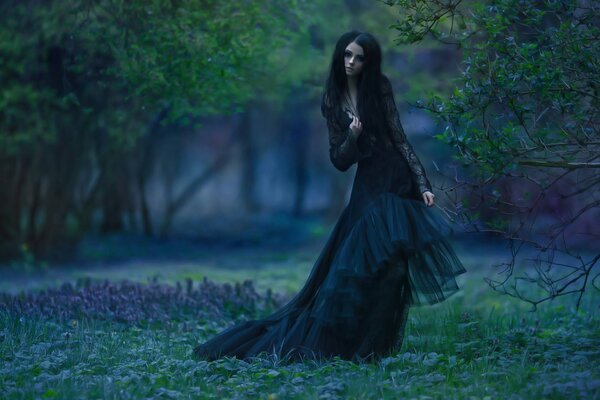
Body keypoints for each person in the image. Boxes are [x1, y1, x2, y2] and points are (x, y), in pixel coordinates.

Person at [192, 30, 467, 363]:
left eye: (359, 57)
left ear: (370, 61)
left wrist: (423, 183)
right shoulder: (333, 99)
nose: (351, 62)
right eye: (347, 55)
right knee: (364, 270)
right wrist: (353, 135)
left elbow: (401, 140)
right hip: (369, 189)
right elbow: (339, 161)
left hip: (398, 184)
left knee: (395, 270)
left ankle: (376, 348)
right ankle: (352, 345)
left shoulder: (379, 87)